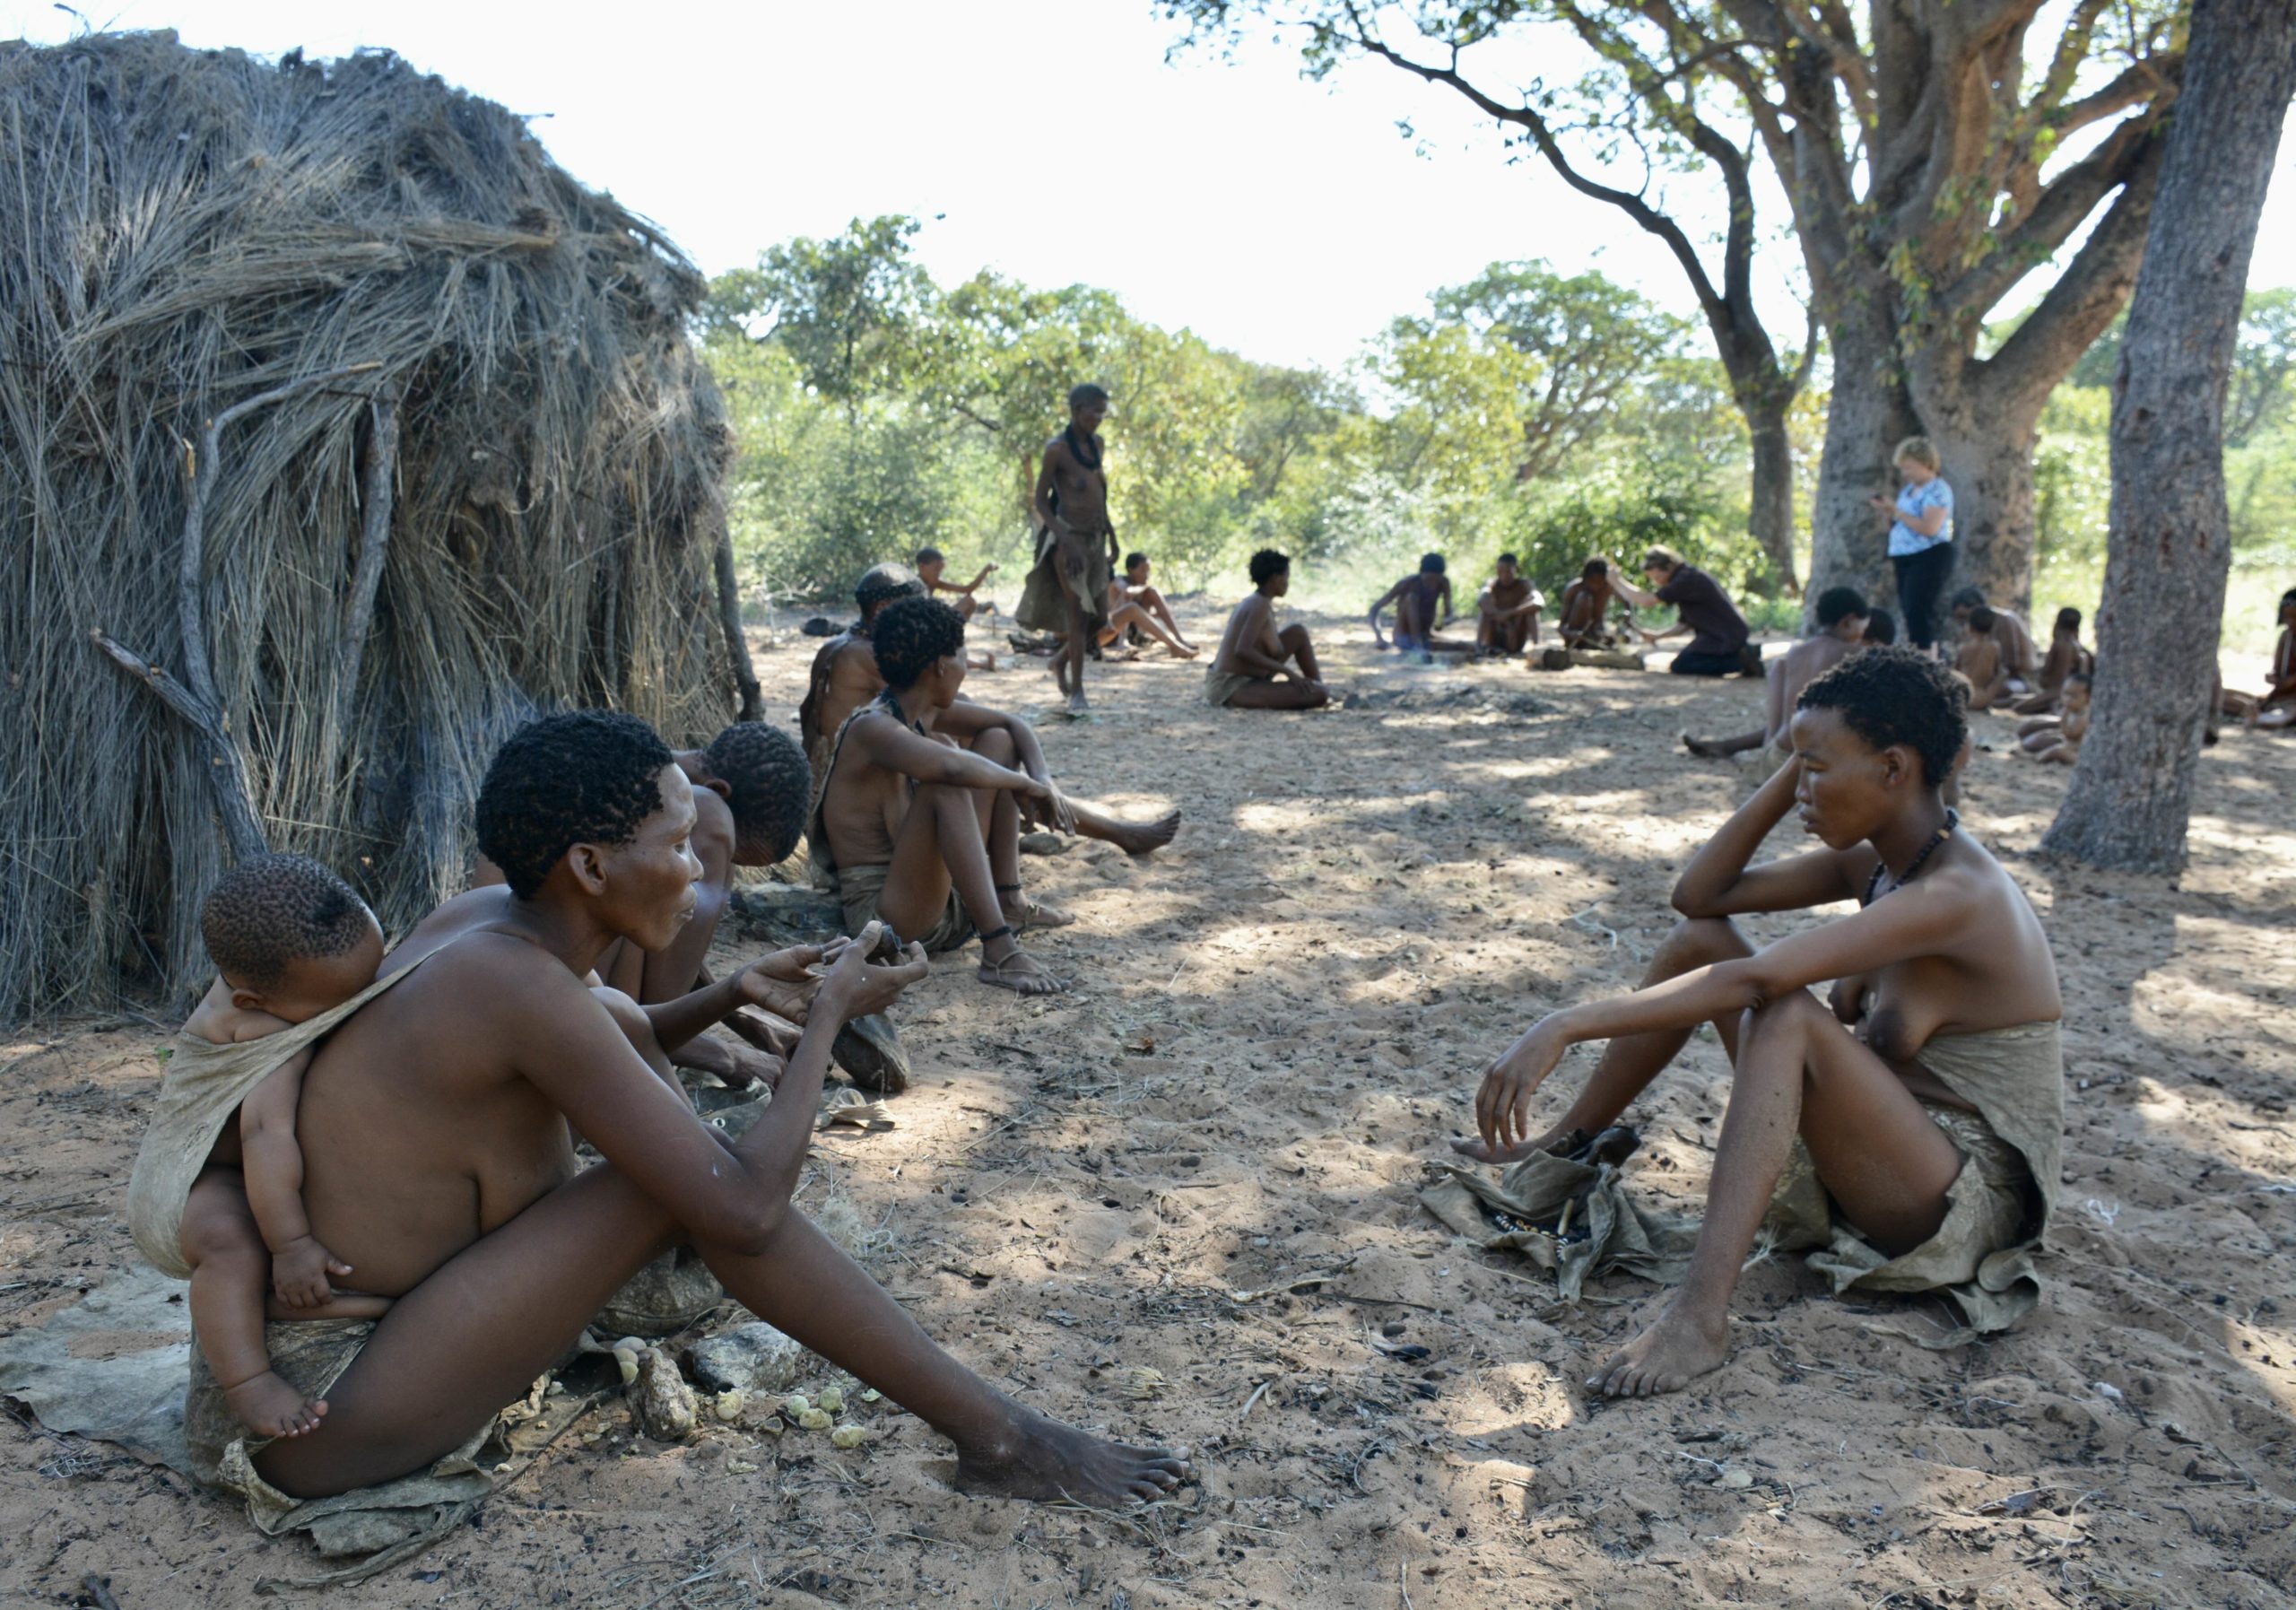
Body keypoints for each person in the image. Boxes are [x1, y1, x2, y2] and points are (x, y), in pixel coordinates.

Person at [163, 710, 1186, 1510]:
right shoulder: (513, 988)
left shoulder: (487, 927)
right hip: (321, 1408)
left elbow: (620, 1032)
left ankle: (997, 1433)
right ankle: (1000, 1439)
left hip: (382, 1343)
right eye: (680, 842)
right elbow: (738, 1207)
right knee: (684, 1192)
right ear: (593, 866)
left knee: (674, 1138)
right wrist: (825, 1020)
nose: (701, 871)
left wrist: (737, 989)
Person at [1457, 648, 2062, 1397]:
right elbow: (1699, 898)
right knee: (1697, 945)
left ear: (1894, 769)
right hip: (1886, 1156)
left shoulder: (1959, 891)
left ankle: (1699, 1318)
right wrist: (1800, 767)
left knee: (1786, 1016)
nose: (1802, 789)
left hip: (1959, 1203)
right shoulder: (1878, 864)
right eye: (1797, 770)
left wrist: (1565, 1022)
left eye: (1817, 769)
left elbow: (1762, 979)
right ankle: (1566, 1147)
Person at [161, 856, 387, 1438]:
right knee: (231, 1243)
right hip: (192, 1183)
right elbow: (264, 1133)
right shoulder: (261, 1034)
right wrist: (290, 1244)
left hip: (240, 1166)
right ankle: (246, 1383)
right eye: (336, 1005)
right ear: (253, 1004)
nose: (353, 1006)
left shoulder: (276, 977)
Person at [804, 565, 1182, 859]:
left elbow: (977, 713)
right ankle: (1113, 832)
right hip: (867, 798)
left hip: (878, 770)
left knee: (989, 744)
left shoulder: (844, 645)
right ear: (884, 609)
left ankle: (1077, 832)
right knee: (971, 759)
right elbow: (956, 708)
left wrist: (1041, 777)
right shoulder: (864, 655)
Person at [815, 596, 1073, 996]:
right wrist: (1023, 785)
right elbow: (950, 769)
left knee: (999, 744)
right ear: (940, 665)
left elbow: (1012, 723)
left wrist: (1043, 779)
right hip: (885, 916)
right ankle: (1000, 951)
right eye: (964, 656)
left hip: (936, 894)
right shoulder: (872, 728)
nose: (967, 667)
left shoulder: (919, 713)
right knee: (948, 783)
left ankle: (1008, 900)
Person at [1019, 384, 1120, 718]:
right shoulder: (1057, 449)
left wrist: (1112, 534)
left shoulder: (1096, 446)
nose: (1099, 418)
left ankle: (1059, 660)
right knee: (1077, 613)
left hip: (1095, 540)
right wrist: (1065, 539)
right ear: (1077, 410)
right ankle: (1077, 692)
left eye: (1103, 412)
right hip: (1068, 541)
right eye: (1094, 411)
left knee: (1100, 618)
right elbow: (1040, 502)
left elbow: (1099, 493)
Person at [1684, 587, 1870, 762]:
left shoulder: (1795, 653)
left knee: (1795, 717)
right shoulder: (1853, 654)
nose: (1862, 638)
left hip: (1775, 753)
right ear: (1848, 621)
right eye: (1862, 630)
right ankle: (1728, 747)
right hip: (1805, 764)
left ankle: (1727, 746)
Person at [1205, 549, 1332, 709]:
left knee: (1297, 633)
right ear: (1276, 579)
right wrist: (1288, 672)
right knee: (1319, 694)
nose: (1287, 583)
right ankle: (1316, 689)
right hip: (1231, 686)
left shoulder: (1260, 602)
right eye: (1286, 577)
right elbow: (1242, 650)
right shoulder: (1258, 605)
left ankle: (1315, 684)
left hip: (1252, 677)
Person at [1609, 545, 1757, 676]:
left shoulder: (1686, 579)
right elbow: (1684, 625)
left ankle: (1741, 661)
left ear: (1669, 566)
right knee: (1683, 663)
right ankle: (1742, 656)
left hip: (1725, 636)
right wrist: (1657, 636)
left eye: (1658, 576)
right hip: (1722, 635)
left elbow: (1647, 601)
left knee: (1683, 666)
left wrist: (1617, 582)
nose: (1657, 582)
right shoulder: (1686, 577)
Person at [1869, 436, 1954, 651]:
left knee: (1919, 611)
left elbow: (1930, 528)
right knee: (1909, 611)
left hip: (1928, 555)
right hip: (1904, 555)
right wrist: (1888, 512)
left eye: (1909, 468)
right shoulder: (1908, 491)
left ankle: (1927, 662)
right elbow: (1901, 523)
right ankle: (1919, 655)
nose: (1905, 473)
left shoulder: (1937, 490)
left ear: (1926, 463)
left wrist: (1898, 511)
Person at [1099, 552, 1198, 658]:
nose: (1146, 575)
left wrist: (1156, 613)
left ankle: (1178, 639)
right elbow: (1128, 592)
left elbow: (1143, 613)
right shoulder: (1118, 582)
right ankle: (1123, 642)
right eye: (1142, 571)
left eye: (1148, 571)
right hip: (1111, 633)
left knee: (1152, 592)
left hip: (1135, 631)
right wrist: (1145, 588)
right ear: (1130, 570)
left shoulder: (1142, 588)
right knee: (1130, 602)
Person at [2222, 587, 2296, 729]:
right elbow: (2278, 673)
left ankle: (2258, 718)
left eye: (2294, 618)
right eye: (2287, 618)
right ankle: (2251, 711)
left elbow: (2288, 683)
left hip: (2292, 702)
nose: (2290, 623)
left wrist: (2287, 683)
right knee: (2223, 695)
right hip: (2278, 696)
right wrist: (2274, 678)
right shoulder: (2286, 638)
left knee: (2285, 714)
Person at [1369, 553, 1461, 663]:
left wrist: (1447, 619)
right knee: (1411, 598)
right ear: (1421, 574)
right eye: (1429, 579)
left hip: (1425, 636)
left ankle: (1420, 645)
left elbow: (1448, 610)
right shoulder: (1407, 584)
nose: (1432, 584)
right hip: (1403, 637)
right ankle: (1418, 646)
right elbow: (1374, 609)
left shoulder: (1444, 583)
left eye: (1436, 580)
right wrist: (1379, 637)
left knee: (1464, 647)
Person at [1953, 598, 2040, 712]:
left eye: (1964, 618)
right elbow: (1998, 670)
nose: (1961, 623)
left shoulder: (1963, 647)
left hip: (1965, 696)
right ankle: (2002, 702)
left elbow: (2012, 664)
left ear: (1970, 627)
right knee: (2002, 673)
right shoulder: (1994, 646)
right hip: (1984, 695)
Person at [2010, 608, 2093, 715]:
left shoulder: (2060, 644)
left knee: (2018, 707)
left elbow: (2054, 675)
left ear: (2057, 625)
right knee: (2015, 699)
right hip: (2059, 691)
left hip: (2057, 691)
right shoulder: (2080, 648)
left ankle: (2053, 705)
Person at [1475, 554, 1544, 656]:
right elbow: (1481, 600)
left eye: (1508, 572)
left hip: (1516, 635)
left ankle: (1537, 648)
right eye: (1500, 572)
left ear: (1516, 569)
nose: (1504, 576)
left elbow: (1539, 603)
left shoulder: (1525, 584)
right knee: (1484, 613)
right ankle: (1478, 646)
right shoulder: (1492, 584)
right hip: (1494, 636)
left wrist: (1509, 614)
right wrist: (1501, 617)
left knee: (1531, 612)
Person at [1556, 559, 1630, 650]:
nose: (1596, 586)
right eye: (1592, 581)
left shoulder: (1607, 588)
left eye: (1600, 582)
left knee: (1622, 638)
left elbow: (1627, 601)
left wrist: (1626, 623)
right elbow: (1560, 628)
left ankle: (1599, 641)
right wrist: (1572, 634)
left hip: (1597, 637)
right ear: (1584, 578)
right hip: (1576, 641)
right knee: (1584, 598)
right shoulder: (1574, 589)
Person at [2018, 673, 2091, 763]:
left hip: (2078, 756)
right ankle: (2036, 754)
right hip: (2068, 747)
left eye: (2074, 696)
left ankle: (2034, 758)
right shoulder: (2073, 711)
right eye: (2066, 694)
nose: (2068, 699)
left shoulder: (2083, 716)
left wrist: (2064, 715)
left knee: (2056, 751)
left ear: (2088, 698)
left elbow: (2070, 734)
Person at [915, 548, 996, 622]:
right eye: (936, 570)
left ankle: (954, 634)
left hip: (936, 623)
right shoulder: (912, 585)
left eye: (940, 571)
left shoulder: (935, 583)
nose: (938, 575)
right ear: (922, 567)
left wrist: (986, 570)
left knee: (970, 602)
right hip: (921, 625)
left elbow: (968, 589)